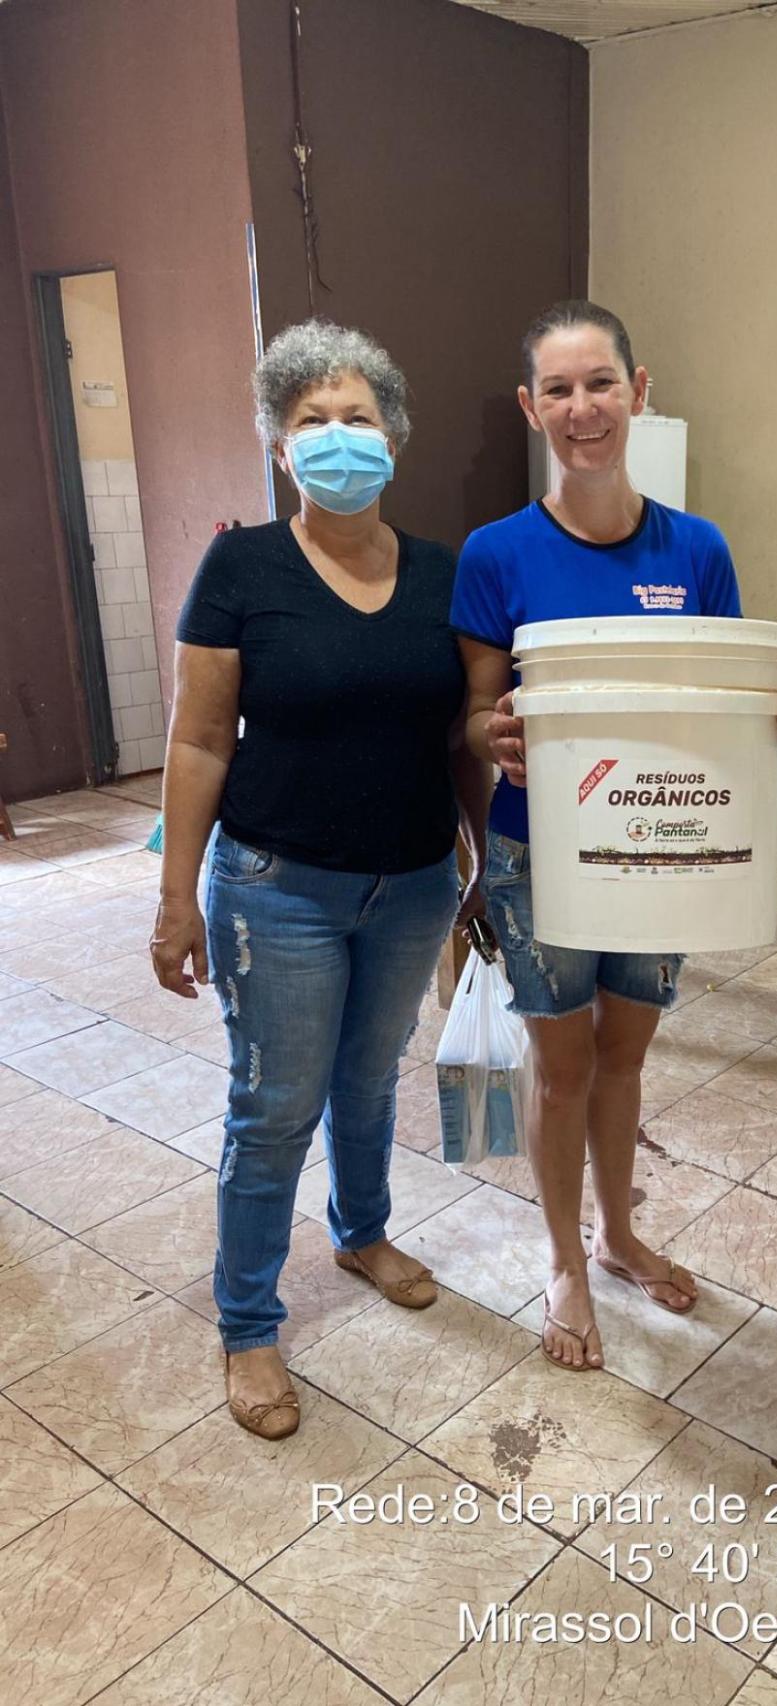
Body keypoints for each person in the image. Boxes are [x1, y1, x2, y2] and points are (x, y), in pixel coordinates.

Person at [151, 320, 489, 1439]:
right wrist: (175, 898)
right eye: (312, 420)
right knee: (274, 1107)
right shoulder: (241, 567)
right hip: (275, 885)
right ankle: (247, 1321)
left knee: (370, 1079)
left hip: (412, 882)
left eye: (358, 416)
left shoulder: (445, 573)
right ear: (279, 444)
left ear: (394, 434)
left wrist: (480, 856)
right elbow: (201, 739)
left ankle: (362, 1230)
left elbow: (463, 734)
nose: (338, 436)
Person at [451, 300, 741, 1371]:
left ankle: (618, 1234)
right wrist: (491, 733)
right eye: (559, 389)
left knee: (625, 1056)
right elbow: (473, 715)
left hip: (658, 845)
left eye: (601, 383)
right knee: (562, 1064)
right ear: (532, 408)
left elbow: (723, 709)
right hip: (541, 851)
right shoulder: (496, 553)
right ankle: (565, 1257)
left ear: (638, 390)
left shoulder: (697, 550)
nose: (583, 408)